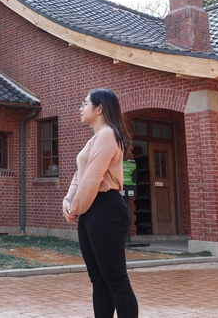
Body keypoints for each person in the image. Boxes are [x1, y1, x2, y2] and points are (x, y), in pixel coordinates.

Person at [62, 88, 138, 318]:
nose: (80, 107)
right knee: (99, 280)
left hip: (106, 209)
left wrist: (75, 208)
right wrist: (68, 201)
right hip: (90, 211)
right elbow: (80, 175)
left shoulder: (108, 135)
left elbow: (94, 178)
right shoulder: (94, 139)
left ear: (99, 108)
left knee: (116, 280)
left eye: (85, 103)